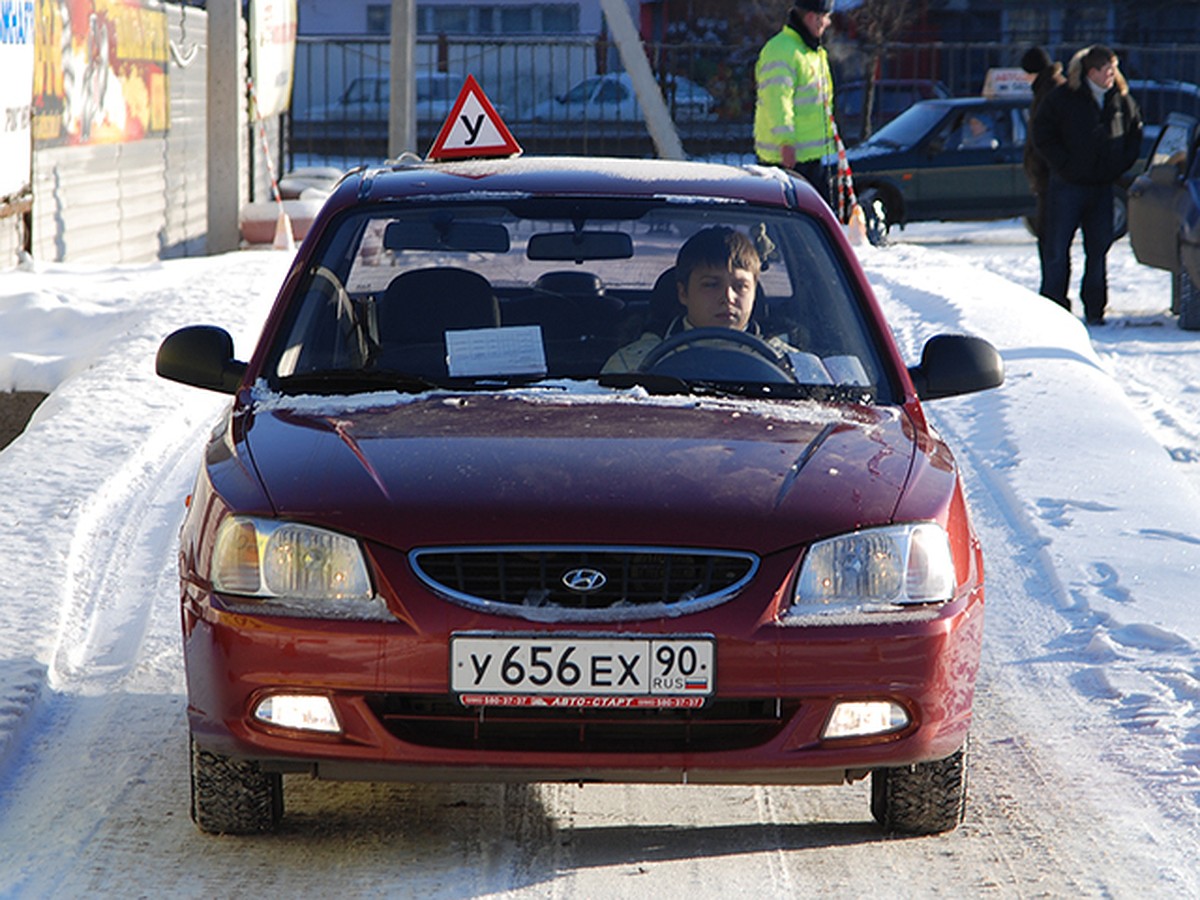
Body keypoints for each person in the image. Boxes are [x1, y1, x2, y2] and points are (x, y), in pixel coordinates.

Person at [1032, 45, 1143, 325]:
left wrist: (1118, 166)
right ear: (1091, 72)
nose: (1112, 75)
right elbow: (1042, 134)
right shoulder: (1063, 98)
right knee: (1058, 249)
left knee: (1098, 251)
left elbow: (1134, 134)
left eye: (1114, 69)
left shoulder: (1120, 99)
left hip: (1102, 187)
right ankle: (1054, 308)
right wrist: (1064, 165)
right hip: (1067, 186)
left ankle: (1095, 309)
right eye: (1107, 70)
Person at [602, 226, 789, 374]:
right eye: (711, 285)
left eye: (740, 286)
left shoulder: (787, 366)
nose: (728, 298)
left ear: (754, 293)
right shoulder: (633, 365)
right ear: (683, 293)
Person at [754, 0, 838, 206]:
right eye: (825, 17)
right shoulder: (783, 51)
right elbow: (778, 100)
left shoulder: (811, 52)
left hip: (808, 157)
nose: (827, 23)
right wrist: (786, 142)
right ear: (812, 17)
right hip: (787, 160)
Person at [1020, 46, 1066, 283]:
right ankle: (1052, 291)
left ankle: (1053, 293)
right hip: (1048, 176)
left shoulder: (1051, 91)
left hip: (1053, 177)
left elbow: (1046, 137)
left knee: (1051, 239)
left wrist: (1043, 169)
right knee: (1048, 238)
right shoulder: (1046, 88)